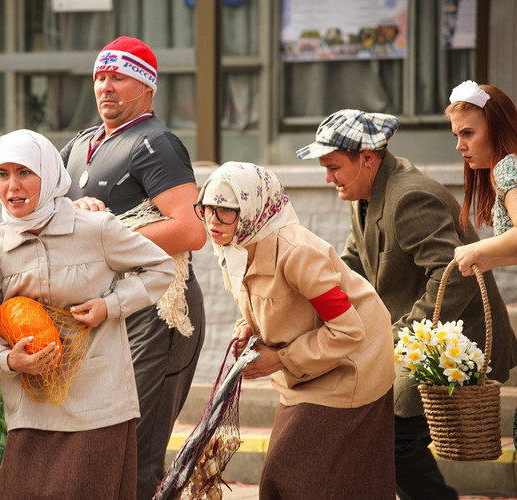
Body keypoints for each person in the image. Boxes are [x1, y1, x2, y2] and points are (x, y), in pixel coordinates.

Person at [296, 108, 517, 500]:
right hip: (420, 340)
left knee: (392, 437)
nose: (327, 177)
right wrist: (305, 302)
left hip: (458, 342)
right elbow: (353, 267)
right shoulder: (363, 193)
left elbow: (455, 279)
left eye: (333, 166)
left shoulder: (409, 196)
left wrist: (395, 335)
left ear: (368, 158)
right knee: (384, 435)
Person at [0, 129, 175, 499]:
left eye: (25, 173)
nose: (12, 186)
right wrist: (7, 360)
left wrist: (110, 306)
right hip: (31, 411)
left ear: (48, 174)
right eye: (2, 174)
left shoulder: (96, 227)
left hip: (98, 406)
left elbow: (161, 269)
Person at [60, 36, 207, 499]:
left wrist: (107, 237)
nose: (105, 86)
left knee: (137, 455)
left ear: (145, 86)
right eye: (100, 77)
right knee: (100, 448)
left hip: (155, 312)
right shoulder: (80, 143)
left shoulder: (156, 143)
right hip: (100, 311)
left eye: (118, 77)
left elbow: (190, 230)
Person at [198, 161, 396, 498]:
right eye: (206, 209)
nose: (213, 222)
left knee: (290, 477)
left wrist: (280, 359)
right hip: (307, 367)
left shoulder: (298, 253)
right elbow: (267, 304)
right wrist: (247, 328)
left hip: (352, 367)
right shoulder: (233, 245)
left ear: (251, 209)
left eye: (225, 210)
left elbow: (349, 330)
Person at [445, 81, 517, 274]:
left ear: (496, 129)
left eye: (468, 133)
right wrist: (491, 260)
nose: (459, 146)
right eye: (456, 136)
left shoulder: (508, 167)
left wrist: (476, 249)